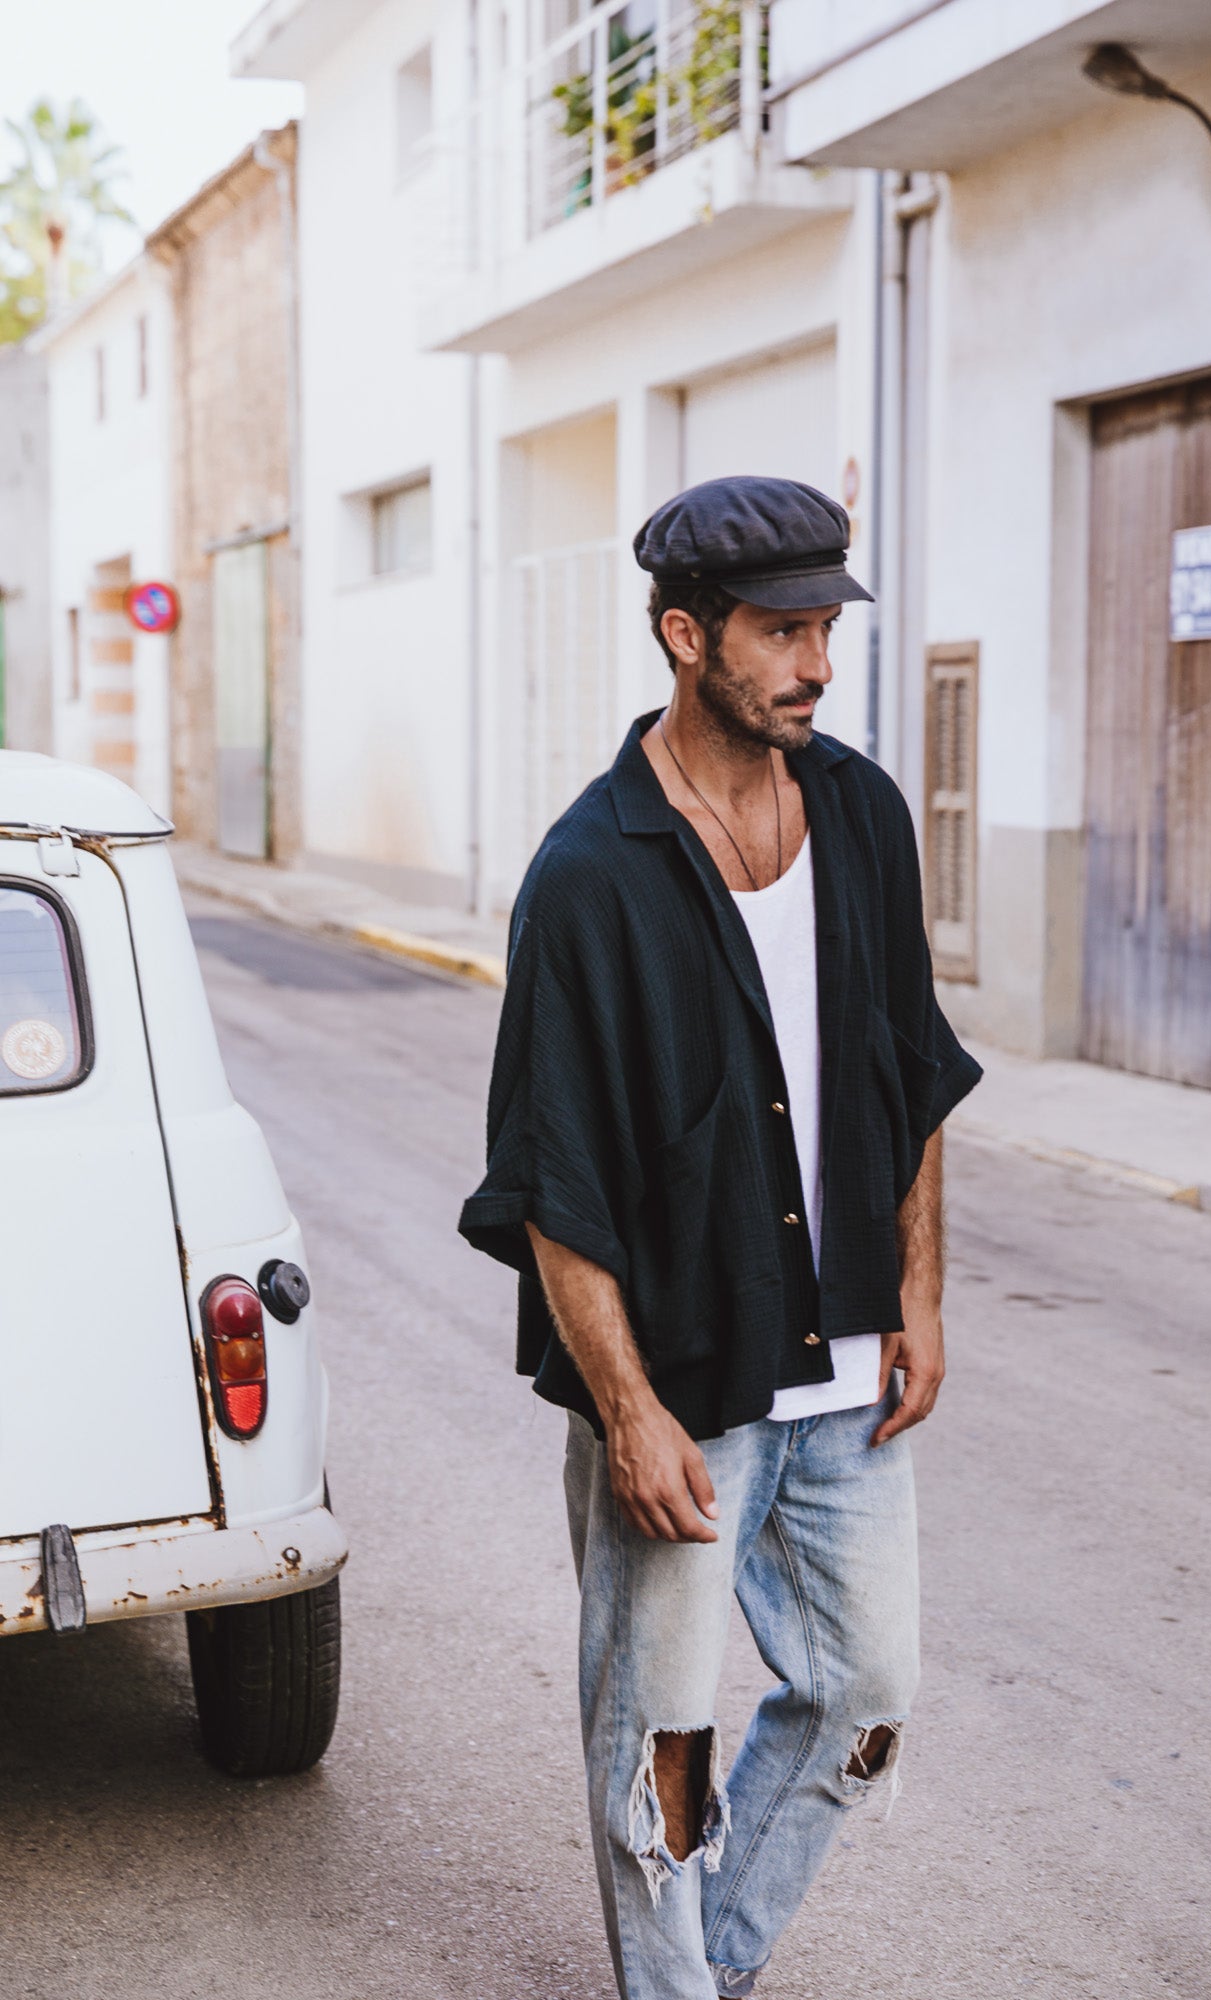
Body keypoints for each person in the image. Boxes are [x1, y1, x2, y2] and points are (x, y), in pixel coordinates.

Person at [459, 474, 982, 1999]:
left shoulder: (865, 814)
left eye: (824, 627)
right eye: (779, 632)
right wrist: (626, 1412)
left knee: (864, 1694)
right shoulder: (588, 876)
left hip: (849, 1375)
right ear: (686, 637)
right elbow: (553, 1180)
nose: (813, 662)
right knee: (660, 1745)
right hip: (685, 1386)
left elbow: (911, 1074)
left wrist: (920, 1301)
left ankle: (713, 1966)